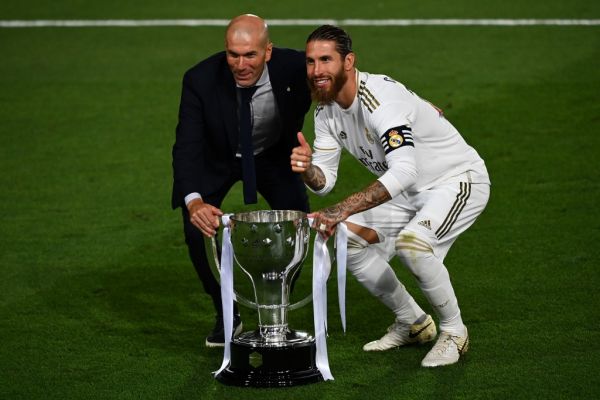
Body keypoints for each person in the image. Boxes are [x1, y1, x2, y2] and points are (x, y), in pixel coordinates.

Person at [290, 25, 490, 367]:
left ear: (348, 61)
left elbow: (404, 171)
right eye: (310, 62)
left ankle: (454, 331)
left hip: (457, 181)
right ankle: (413, 323)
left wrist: (341, 208)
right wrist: (308, 168)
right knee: (346, 237)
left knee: (414, 244)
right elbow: (324, 182)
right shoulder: (325, 111)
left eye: (326, 60)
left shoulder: (379, 99)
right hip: (407, 192)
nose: (317, 70)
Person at [172, 14, 311, 347]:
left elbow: (345, 80)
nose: (240, 63)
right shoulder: (200, 79)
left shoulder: (295, 67)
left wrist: (413, 106)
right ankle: (226, 312)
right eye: (233, 54)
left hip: (275, 156)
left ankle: (275, 311)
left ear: (268, 52)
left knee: (297, 226)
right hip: (217, 158)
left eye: (250, 55)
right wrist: (194, 203)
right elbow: (187, 144)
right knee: (196, 229)